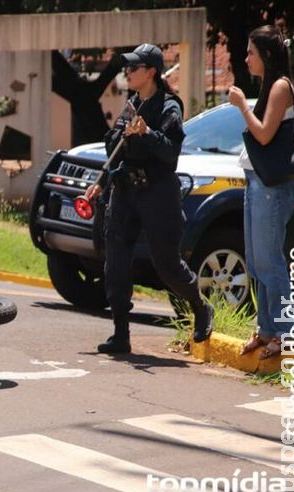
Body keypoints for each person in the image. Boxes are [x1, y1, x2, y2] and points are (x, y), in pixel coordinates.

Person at [85, 43, 213, 354]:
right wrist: (101, 182)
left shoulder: (169, 107)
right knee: (115, 260)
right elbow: (115, 148)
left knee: (167, 265)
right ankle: (120, 333)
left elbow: (171, 152)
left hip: (157, 192)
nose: (127, 72)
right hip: (125, 190)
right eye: (127, 67)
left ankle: (200, 307)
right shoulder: (132, 104)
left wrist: (147, 134)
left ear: (152, 72)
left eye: (134, 67)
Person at [228, 25, 294, 359]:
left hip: (271, 186)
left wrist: (243, 106)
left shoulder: (281, 86)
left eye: (251, 53)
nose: (246, 59)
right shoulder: (271, 86)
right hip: (258, 181)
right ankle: (267, 329)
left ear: (267, 55)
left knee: (270, 261)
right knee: (257, 262)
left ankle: (286, 332)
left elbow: (265, 134)